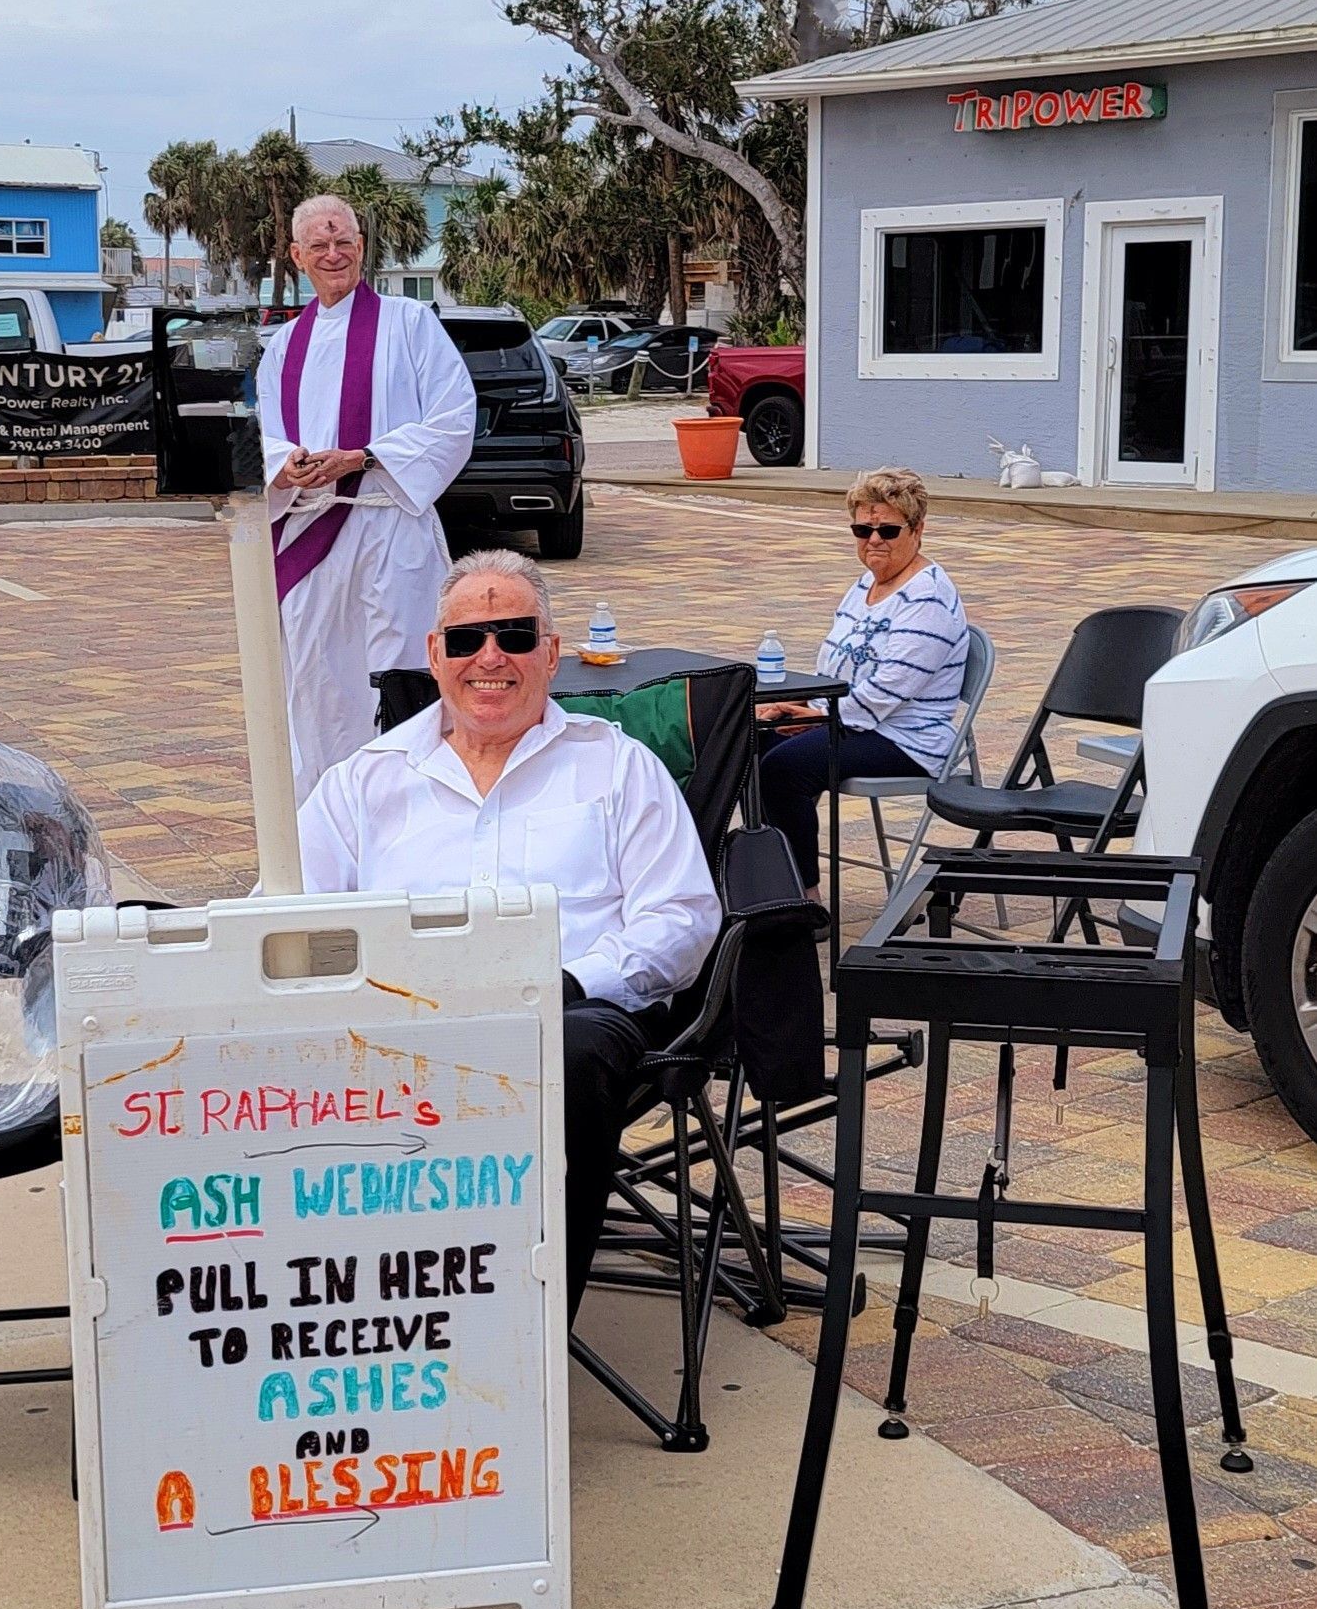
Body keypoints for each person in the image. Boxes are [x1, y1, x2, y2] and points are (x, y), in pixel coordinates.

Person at [298, 546, 721, 1322]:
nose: (489, 657)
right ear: (434, 655)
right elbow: (285, 913)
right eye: (466, 638)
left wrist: (569, 981)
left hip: (570, 1018)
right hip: (397, 1019)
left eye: (515, 635)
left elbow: (683, 918)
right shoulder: (363, 781)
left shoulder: (619, 769)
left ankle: (520, 1339)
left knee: (567, 1047)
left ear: (551, 653)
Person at [258, 196, 477, 801]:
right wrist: (288, 464)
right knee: (318, 687)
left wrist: (363, 457)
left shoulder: (409, 324)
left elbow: (456, 417)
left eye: (345, 241)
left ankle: (413, 814)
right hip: (311, 535)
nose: (335, 254)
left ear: (362, 246)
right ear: (297, 256)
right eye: (319, 245)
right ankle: (325, 830)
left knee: (402, 676)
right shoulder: (282, 348)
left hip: (390, 529)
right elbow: (261, 435)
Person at [758, 466, 970, 904]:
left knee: (784, 768)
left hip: (907, 738)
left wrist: (815, 718)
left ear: (917, 531)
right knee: (750, 744)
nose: (874, 540)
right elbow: (833, 666)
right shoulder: (866, 584)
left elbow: (884, 695)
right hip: (850, 721)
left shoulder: (927, 598)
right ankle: (765, 882)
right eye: (863, 529)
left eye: (888, 530)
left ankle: (802, 901)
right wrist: (789, 704)